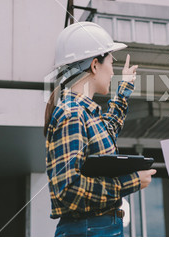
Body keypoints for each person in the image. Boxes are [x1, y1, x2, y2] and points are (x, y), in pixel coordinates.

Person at [44, 22, 156, 237]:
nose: (113, 72)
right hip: (89, 230)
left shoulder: (84, 112)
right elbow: (68, 190)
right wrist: (131, 182)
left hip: (94, 228)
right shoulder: (73, 114)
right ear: (95, 65)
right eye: (111, 63)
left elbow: (108, 129)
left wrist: (125, 87)